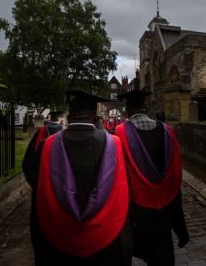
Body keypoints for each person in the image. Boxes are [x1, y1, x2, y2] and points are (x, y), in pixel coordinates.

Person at [22, 90, 132, 266]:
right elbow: (123, 186)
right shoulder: (114, 143)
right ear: (95, 117)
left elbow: (37, 181)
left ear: (70, 116)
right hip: (106, 240)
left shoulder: (48, 145)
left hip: (60, 238)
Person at [115, 90, 189, 266]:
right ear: (145, 108)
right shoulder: (166, 129)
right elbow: (176, 169)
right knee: (163, 247)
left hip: (137, 203)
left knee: (142, 243)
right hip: (165, 201)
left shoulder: (119, 132)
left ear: (127, 111)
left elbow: (119, 170)